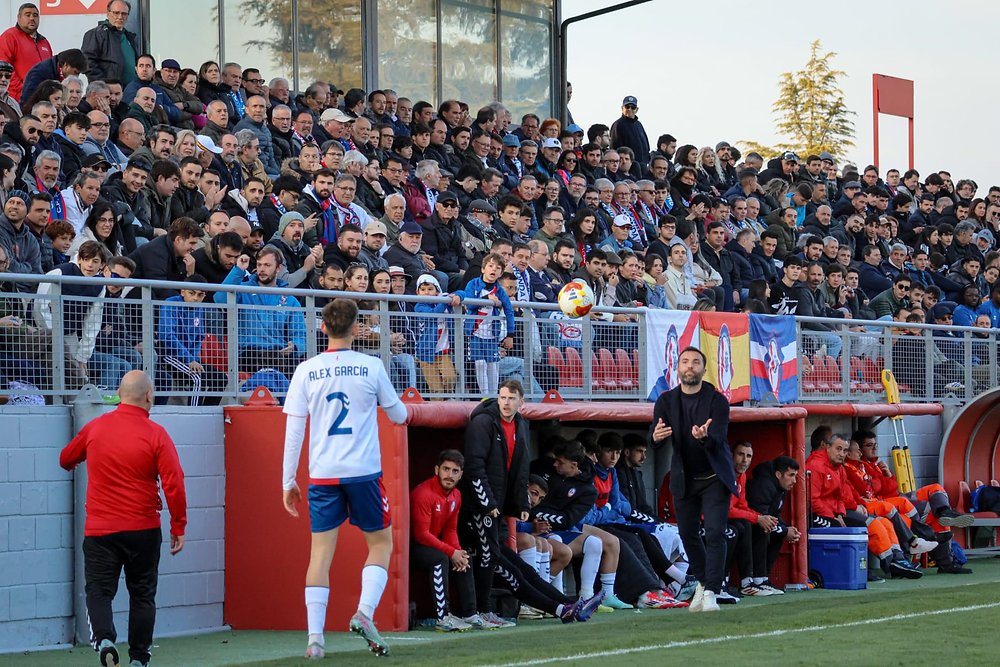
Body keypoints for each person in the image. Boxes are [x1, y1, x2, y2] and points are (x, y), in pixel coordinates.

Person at [281, 298, 408, 659]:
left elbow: (294, 432)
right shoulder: (370, 366)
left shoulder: (306, 370)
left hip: (322, 474)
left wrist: (288, 481)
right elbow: (398, 415)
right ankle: (365, 613)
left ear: (323, 328)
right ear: (356, 328)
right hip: (363, 471)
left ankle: (315, 640)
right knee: (381, 544)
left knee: (319, 555)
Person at [59, 370, 186, 667]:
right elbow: (174, 483)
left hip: (101, 530)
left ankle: (104, 639)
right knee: (142, 595)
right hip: (143, 529)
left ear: (119, 394)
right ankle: (139, 658)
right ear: (149, 396)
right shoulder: (156, 434)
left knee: (99, 591)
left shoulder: (95, 428)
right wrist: (178, 525)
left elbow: (65, 458)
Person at [650, 346, 735, 612]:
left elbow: (719, 436)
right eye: (685, 361)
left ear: (704, 369)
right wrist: (655, 437)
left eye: (695, 362)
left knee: (714, 533)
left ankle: (711, 590)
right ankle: (701, 581)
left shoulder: (717, 400)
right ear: (677, 368)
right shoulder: (666, 400)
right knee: (687, 533)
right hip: (684, 476)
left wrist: (704, 437)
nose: (690, 366)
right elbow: (654, 433)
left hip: (714, 476)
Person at [458, 380, 530, 629]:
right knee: (488, 554)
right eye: (502, 398)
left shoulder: (521, 425)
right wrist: (486, 501)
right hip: (478, 505)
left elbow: (520, 468)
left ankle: (483, 610)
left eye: (511, 398)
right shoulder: (483, 423)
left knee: (492, 554)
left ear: (522, 402)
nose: (506, 403)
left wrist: (521, 502)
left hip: (498, 504)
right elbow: (474, 466)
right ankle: (480, 611)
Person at [409, 449, 477, 631]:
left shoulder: (456, 495)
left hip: (431, 543)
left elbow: (450, 529)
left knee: (464, 556)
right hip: (411, 547)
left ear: (461, 474)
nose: (449, 475)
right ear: (436, 470)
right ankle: (443, 617)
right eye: (446, 469)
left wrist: (457, 552)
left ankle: (470, 614)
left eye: (455, 471)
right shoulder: (424, 493)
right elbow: (421, 534)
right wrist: (450, 552)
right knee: (440, 558)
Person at [215, 246, 306, 379]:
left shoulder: (290, 300)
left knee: (300, 372)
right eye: (259, 265)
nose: (262, 269)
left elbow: (300, 334)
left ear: (279, 268)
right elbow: (220, 299)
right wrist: (239, 270)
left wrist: (295, 347)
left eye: (267, 265)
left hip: (278, 353)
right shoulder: (243, 289)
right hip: (249, 353)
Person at [156, 274, 228, 406]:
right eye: (192, 293)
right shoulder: (170, 304)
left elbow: (199, 336)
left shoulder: (199, 308)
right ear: (183, 292)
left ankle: (206, 413)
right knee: (197, 378)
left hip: (190, 358)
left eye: (200, 295)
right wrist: (189, 359)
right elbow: (167, 336)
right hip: (169, 355)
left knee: (221, 379)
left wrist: (193, 358)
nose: (195, 298)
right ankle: (194, 413)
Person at [456, 251, 514, 395]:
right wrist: (487, 298)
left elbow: (509, 311)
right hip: (475, 332)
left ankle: (494, 395)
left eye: (498, 268)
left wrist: (510, 334)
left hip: (491, 334)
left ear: (501, 273)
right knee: (480, 363)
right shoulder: (473, 284)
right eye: (491, 266)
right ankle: (485, 395)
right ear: (483, 269)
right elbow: (469, 304)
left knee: (493, 365)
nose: (494, 269)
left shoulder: (500, 291)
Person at [746, 455, 803, 594]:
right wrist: (784, 530)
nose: (794, 480)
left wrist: (787, 529)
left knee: (777, 534)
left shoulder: (780, 488)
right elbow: (762, 517)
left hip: (758, 522)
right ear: (778, 474)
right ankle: (757, 579)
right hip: (746, 524)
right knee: (764, 530)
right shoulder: (764, 485)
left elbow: (775, 515)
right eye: (791, 475)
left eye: (795, 476)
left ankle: (764, 578)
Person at [0, 3, 52, 103]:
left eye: (35, 15)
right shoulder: (9, 37)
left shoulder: (44, 42)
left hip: (43, 101)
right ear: (19, 18)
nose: (32, 18)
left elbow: (51, 70)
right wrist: (23, 93)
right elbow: (4, 69)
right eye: (27, 15)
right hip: (19, 99)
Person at [81, 1, 140, 87]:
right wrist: (104, 85)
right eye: (116, 13)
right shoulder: (97, 33)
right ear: (108, 14)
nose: (120, 17)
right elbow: (87, 62)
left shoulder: (130, 37)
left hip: (129, 91)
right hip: (108, 92)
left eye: (124, 14)